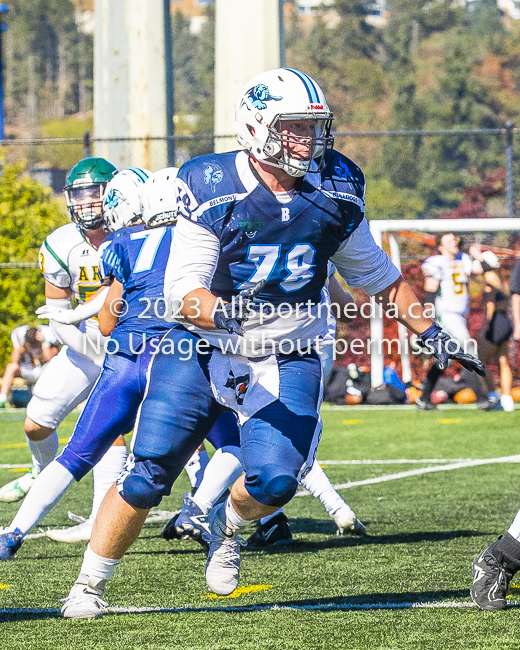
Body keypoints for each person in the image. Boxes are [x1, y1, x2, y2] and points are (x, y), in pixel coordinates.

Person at [60, 67, 483, 619]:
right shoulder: (211, 184)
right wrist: (229, 311)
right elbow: (183, 292)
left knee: (278, 480)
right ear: (256, 128)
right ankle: (87, 587)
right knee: (147, 474)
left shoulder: (337, 185)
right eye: (295, 128)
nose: (310, 140)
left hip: (289, 351)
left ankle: (226, 528)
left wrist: (430, 333)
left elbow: (376, 275)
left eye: (315, 127)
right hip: (202, 344)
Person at [164, 266, 366, 548]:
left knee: (273, 439)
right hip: (312, 349)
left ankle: (200, 509)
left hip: (278, 351)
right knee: (279, 437)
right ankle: (282, 519)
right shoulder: (311, 239)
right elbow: (345, 307)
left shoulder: (250, 242)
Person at [0, 158, 129, 524]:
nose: (87, 203)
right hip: (85, 344)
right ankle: (41, 469)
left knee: (111, 430)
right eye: (80, 195)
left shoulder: (135, 233)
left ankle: (101, 522)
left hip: (137, 346)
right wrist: (91, 351)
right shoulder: (61, 244)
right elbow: (58, 315)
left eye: (95, 194)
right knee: (35, 424)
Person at [417, 234, 492, 410]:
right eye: (448, 241)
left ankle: (424, 399)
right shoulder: (436, 262)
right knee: (470, 351)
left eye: (454, 240)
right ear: (440, 247)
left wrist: (478, 256)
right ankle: (482, 399)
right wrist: (428, 319)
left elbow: (486, 270)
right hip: (446, 315)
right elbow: (430, 292)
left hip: (460, 316)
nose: (454, 243)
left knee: (446, 359)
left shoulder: (464, 259)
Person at [476, 251, 514, 412]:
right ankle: (507, 399)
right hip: (505, 322)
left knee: (479, 360)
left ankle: (492, 394)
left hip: (496, 323)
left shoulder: (489, 279)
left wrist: (485, 327)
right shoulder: (502, 280)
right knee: (503, 361)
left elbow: (490, 305)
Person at [0, 325, 58, 411]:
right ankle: (2, 399)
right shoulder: (19, 335)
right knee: (12, 367)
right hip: (27, 369)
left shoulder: (49, 334)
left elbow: (51, 360)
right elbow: (14, 361)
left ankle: (54, 399)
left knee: (53, 367)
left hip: (43, 369)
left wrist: (45, 344)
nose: (33, 345)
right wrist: (18, 346)